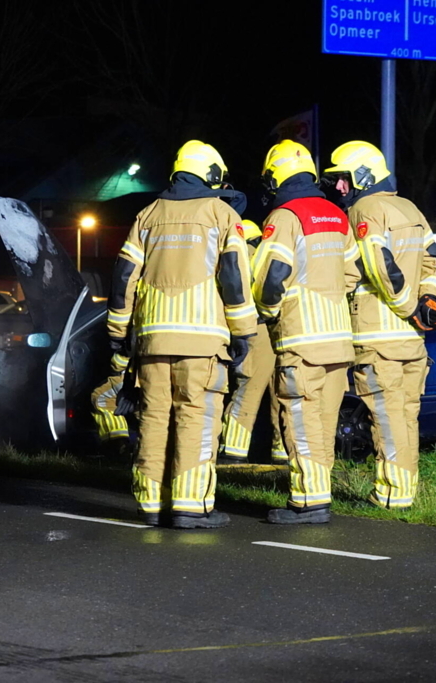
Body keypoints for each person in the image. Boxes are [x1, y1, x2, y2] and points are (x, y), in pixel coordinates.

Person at [107, 140, 256, 529]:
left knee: (154, 419)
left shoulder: (147, 215)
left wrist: (118, 331)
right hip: (203, 342)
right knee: (197, 418)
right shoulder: (221, 214)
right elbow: (234, 278)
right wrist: (243, 332)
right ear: (211, 175)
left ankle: (150, 504)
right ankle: (191, 507)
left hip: (152, 341)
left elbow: (124, 277)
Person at [323, 140, 436, 510]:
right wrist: (429, 301)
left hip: (378, 336)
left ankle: (392, 494)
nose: (340, 187)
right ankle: (404, 491)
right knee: (406, 416)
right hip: (412, 340)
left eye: (344, 178)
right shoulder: (409, 207)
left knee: (387, 418)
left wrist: (409, 307)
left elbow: (380, 266)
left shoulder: (363, 209)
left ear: (363, 175)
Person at [252, 140, 361, 524]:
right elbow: (352, 274)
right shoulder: (337, 215)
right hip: (339, 341)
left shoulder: (285, 217)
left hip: (301, 339)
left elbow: (272, 279)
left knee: (300, 419)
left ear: (275, 176)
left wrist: (268, 313)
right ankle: (320, 493)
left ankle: (308, 502)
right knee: (324, 421)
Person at [218, 219, 288, 465]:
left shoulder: (238, 255)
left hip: (256, 329)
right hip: (275, 327)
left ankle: (233, 448)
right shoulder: (261, 254)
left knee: (249, 388)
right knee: (282, 390)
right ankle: (282, 450)